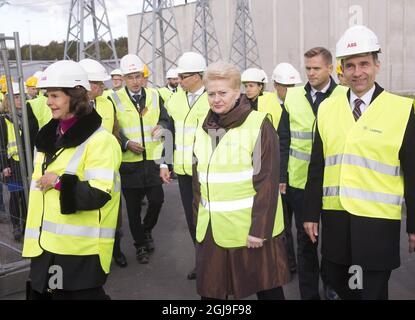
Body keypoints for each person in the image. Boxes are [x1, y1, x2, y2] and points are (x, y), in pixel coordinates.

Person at [303, 25, 415, 300]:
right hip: (336, 221)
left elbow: (412, 172)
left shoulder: (401, 110)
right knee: (341, 291)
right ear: (341, 69)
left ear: (377, 65)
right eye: (350, 65)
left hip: (377, 225)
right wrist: (309, 213)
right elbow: (317, 165)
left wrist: (413, 225)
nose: (357, 72)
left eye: (364, 63)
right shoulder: (328, 109)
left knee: (373, 293)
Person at [22, 60, 122, 300]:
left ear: (75, 97)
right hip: (45, 246)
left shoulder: (101, 141)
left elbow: (98, 194)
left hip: (79, 253)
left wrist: (59, 182)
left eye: (55, 96)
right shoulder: (49, 137)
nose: (48, 102)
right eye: (48, 95)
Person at [192, 60, 291, 300]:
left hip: (250, 231)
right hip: (213, 230)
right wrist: (199, 220)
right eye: (211, 93)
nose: (216, 99)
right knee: (212, 293)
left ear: (238, 92)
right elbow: (199, 182)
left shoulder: (258, 126)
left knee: (267, 290)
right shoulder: (203, 128)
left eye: (223, 93)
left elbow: (266, 182)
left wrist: (259, 230)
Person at [281, 47, 346, 300]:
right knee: (306, 244)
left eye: (316, 68)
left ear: (330, 68)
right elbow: (284, 137)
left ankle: (332, 288)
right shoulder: (294, 97)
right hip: (299, 183)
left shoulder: (344, 95)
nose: (310, 73)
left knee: (333, 245)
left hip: (333, 182)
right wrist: (282, 176)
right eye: (307, 68)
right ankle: (308, 295)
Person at [111, 54, 169, 264]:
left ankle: (146, 230)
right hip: (129, 164)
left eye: (138, 76)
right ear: (124, 79)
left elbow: (166, 118)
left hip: (152, 161)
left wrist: (162, 125)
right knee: (133, 210)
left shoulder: (154, 95)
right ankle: (140, 245)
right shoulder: (114, 99)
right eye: (130, 77)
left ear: (143, 76)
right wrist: (126, 143)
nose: (135, 81)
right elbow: (112, 129)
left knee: (157, 200)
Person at [160, 51, 210, 280]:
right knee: (192, 220)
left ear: (199, 76)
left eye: (183, 77)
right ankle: (202, 261)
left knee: (208, 218)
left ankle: (215, 263)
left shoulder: (212, 97)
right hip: (183, 170)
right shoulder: (176, 98)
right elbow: (169, 130)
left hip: (206, 171)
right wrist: (164, 163)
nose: (178, 81)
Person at [241, 67, 296, 275]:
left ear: (262, 86)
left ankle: (288, 263)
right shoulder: (243, 104)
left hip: (273, 165)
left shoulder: (272, 104)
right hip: (253, 166)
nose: (248, 89)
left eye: (252, 85)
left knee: (279, 219)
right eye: (246, 86)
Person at [79, 58, 127, 268]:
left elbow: (115, 132)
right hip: (84, 172)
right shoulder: (74, 109)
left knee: (113, 216)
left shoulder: (108, 104)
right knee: (88, 216)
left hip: (110, 172)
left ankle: (115, 251)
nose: (102, 86)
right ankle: (90, 258)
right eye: (97, 83)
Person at [271, 62, 303, 274]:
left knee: (303, 227)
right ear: (275, 85)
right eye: (286, 87)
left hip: (300, 175)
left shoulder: (302, 104)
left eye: (294, 87)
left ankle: (304, 263)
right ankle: (288, 264)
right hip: (277, 175)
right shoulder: (269, 106)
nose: (290, 92)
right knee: (282, 226)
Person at [0, 82, 38, 240]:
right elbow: (1, 145)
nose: (19, 100)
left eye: (20, 96)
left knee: (28, 195)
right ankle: (16, 226)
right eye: (15, 97)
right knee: (16, 196)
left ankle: (28, 225)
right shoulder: (3, 119)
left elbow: (35, 134)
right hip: (13, 164)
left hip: (29, 162)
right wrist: (4, 166)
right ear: (8, 100)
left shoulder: (28, 114)